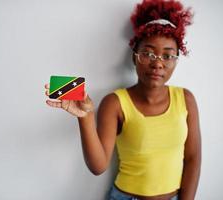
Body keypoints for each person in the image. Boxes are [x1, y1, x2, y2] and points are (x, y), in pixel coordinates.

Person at [45, 0, 201, 199]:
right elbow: (98, 166)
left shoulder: (186, 99)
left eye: (167, 56)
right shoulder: (115, 102)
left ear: (176, 60)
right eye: (148, 53)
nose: (157, 63)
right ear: (135, 57)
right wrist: (85, 117)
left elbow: (193, 159)